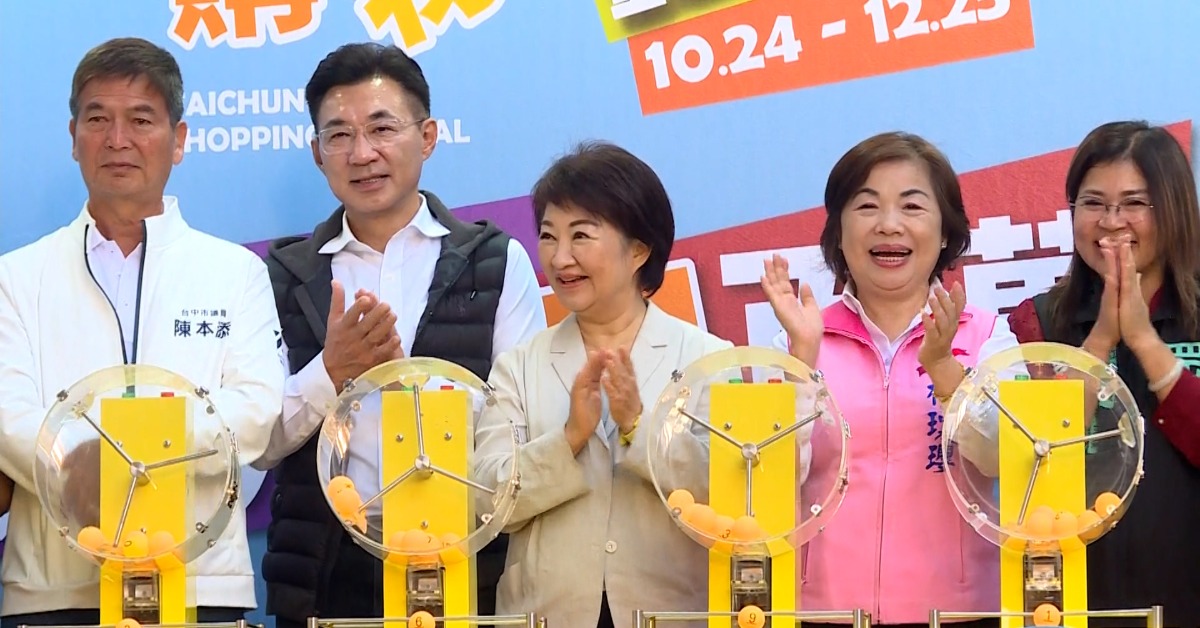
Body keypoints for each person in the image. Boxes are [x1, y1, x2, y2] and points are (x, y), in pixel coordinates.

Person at [255, 42, 546, 628]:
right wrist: (331, 373)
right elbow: (259, 441)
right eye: (339, 135)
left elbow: (523, 429)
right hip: (323, 576)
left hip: (467, 565)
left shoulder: (496, 261)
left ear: (428, 137)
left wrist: (412, 387)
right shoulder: (283, 276)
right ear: (317, 152)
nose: (362, 153)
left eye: (382, 128)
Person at [0, 37, 285, 628]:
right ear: (73, 136)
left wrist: (130, 453)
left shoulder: (236, 272)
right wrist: (94, 463)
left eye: (141, 120)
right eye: (97, 119)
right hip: (55, 590)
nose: (117, 139)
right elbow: (9, 415)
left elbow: (256, 412)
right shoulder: (15, 277)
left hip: (201, 581)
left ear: (178, 140)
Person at [472, 141, 732, 628]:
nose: (560, 258)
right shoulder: (518, 366)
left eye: (581, 236)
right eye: (548, 236)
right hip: (546, 613)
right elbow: (487, 503)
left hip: (670, 613)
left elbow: (724, 497)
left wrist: (638, 425)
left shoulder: (706, 359)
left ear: (638, 250)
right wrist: (569, 437)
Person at [761, 131, 1016, 626]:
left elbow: (1004, 457)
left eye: (912, 206)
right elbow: (766, 479)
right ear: (838, 233)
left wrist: (945, 370)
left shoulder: (988, 336)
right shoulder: (798, 340)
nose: (889, 225)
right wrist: (802, 365)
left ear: (946, 232)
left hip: (961, 614)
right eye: (867, 206)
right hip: (825, 613)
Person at [1007, 121, 1200, 628]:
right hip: (1075, 598)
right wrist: (1100, 341)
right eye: (1093, 203)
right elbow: (1035, 456)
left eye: (1134, 203)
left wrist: (1144, 341)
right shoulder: (1039, 321)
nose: (1111, 222)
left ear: (1175, 209)